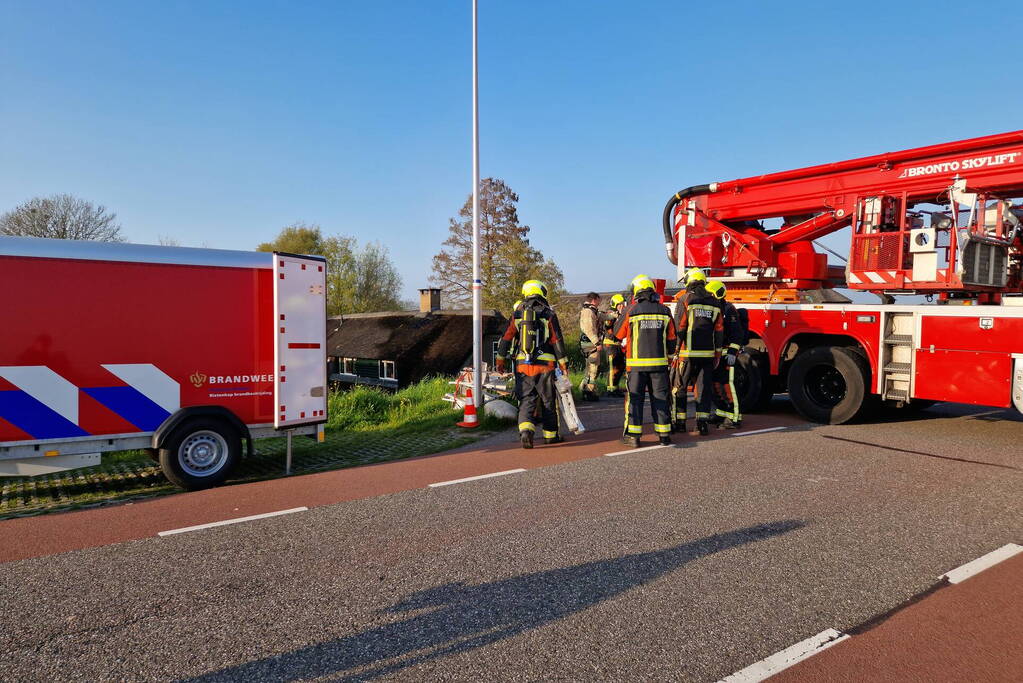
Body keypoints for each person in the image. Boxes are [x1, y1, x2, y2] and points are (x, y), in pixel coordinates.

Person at [496, 280, 570, 449]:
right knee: (547, 401)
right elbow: (557, 340)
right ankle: (551, 437)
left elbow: (506, 338)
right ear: (541, 292)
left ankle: (526, 432)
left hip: (523, 366)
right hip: (545, 366)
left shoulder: (517, 313)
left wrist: (500, 360)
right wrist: (564, 364)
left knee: (526, 400)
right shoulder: (548, 314)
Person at [614, 275, 677, 447]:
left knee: (635, 400)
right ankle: (664, 435)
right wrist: (670, 358)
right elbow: (672, 339)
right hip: (659, 366)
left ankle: (633, 437)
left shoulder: (631, 311)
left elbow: (617, 334)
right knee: (661, 399)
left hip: (636, 367)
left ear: (636, 292)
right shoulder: (665, 311)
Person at [673, 268, 723, 436]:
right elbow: (719, 330)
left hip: (687, 354)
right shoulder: (715, 302)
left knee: (679, 388)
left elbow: (679, 327)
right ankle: (702, 424)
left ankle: (680, 423)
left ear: (689, 281)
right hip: (707, 355)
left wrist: (675, 351)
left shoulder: (685, 299)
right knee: (703, 390)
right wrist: (717, 354)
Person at [706, 280, 745, 428]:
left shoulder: (729, 309)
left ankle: (735, 418)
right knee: (716, 385)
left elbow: (737, 333)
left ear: (717, 293)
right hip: (716, 355)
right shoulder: (714, 308)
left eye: (710, 294)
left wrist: (732, 352)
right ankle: (722, 412)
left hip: (727, 355)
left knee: (729, 386)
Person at [578, 292, 603, 401]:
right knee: (593, 368)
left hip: (589, 343)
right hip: (590, 343)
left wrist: (615, 314)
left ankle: (585, 389)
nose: (600, 302)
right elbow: (589, 329)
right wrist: (597, 343)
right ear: (594, 299)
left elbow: (602, 316)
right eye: (599, 300)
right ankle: (589, 391)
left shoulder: (591, 310)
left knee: (590, 367)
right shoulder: (588, 312)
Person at [603, 293, 627, 397]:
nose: (622, 306)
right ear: (615, 305)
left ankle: (615, 387)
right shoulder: (610, 314)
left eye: (623, 304)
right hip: (610, 345)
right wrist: (613, 316)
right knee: (613, 368)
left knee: (620, 367)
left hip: (617, 344)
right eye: (620, 304)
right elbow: (608, 326)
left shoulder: (621, 315)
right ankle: (611, 389)